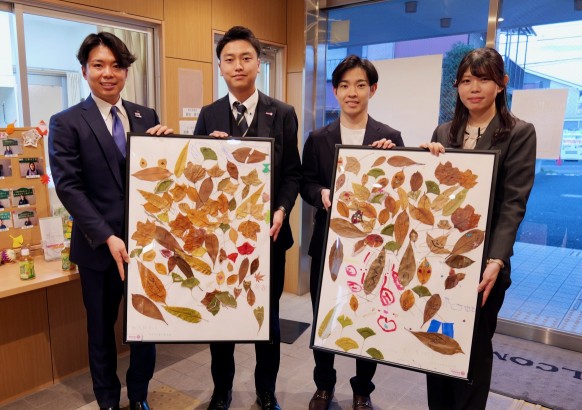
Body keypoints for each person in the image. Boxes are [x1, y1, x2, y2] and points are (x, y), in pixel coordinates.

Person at [49, 32, 172, 410]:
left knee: (146, 327)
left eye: (116, 66)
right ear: (84, 70)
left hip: (145, 246)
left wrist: (169, 146)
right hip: (98, 249)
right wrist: (106, 235)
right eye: (99, 65)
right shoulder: (66, 122)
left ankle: (139, 396)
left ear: (126, 72)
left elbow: (160, 178)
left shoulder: (146, 116)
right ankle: (107, 401)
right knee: (101, 330)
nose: (108, 73)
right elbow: (69, 187)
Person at [421, 47, 536, 410]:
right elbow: (433, 195)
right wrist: (425, 161)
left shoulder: (519, 132)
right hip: (442, 260)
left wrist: (497, 260)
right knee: (436, 338)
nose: (474, 88)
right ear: (457, 86)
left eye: (484, 79)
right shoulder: (444, 131)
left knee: (472, 348)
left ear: (501, 84)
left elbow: (513, 203)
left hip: (485, 264)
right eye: (467, 80)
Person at [193, 26, 302, 410]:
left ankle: (265, 391)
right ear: (220, 67)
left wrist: (282, 209)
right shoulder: (208, 114)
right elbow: (195, 176)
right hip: (222, 240)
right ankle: (221, 391)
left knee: (266, 319)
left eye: (245, 58)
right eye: (229, 59)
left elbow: (293, 173)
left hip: (268, 236)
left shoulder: (283, 113)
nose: (237, 65)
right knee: (221, 315)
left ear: (258, 63)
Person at [300, 55, 403, 410]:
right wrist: (320, 193)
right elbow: (306, 182)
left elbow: (400, 188)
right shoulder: (318, 138)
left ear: (373, 89)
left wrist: (391, 161)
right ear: (335, 91)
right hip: (328, 243)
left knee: (368, 314)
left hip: (373, 246)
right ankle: (324, 385)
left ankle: (362, 389)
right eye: (344, 86)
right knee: (324, 316)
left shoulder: (389, 137)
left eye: (360, 85)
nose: (352, 93)